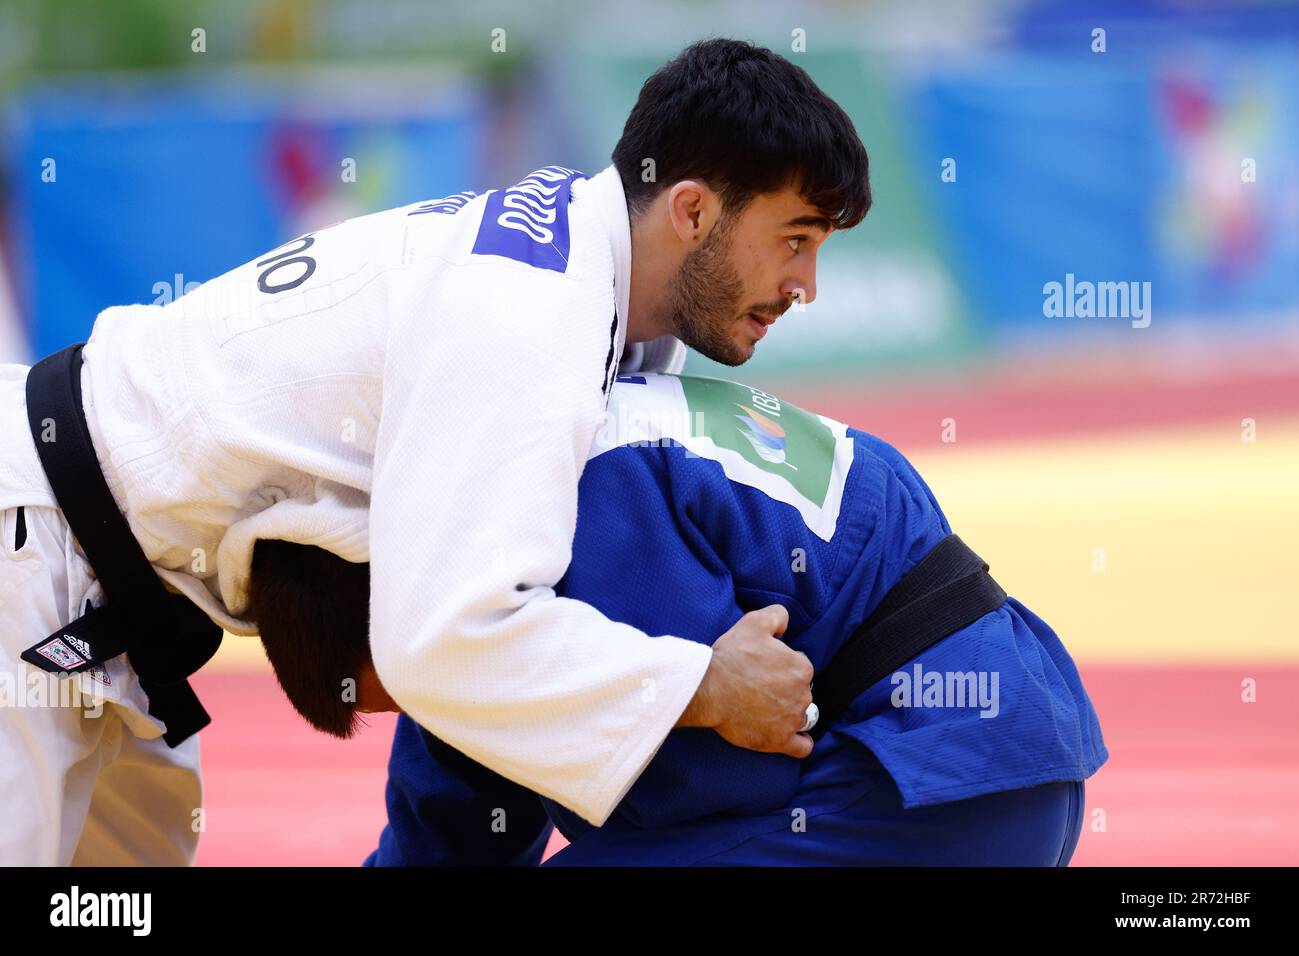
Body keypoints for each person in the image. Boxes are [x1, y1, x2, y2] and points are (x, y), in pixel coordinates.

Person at [0, 38, 870, 864]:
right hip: (34, 544)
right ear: (692, 210)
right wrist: (705, 687)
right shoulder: (529, 314)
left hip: (109, 585)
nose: (807, 286)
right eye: (794, 239)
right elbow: (448, 640)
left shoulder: (577, 279)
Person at [357, 372, 1108, 866]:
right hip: (995, 760)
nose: (802, 287)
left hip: (932, 789)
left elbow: (723, 785)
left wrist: (598, 721)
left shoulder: (587, 498)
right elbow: (453, 824)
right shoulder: (509, 525)